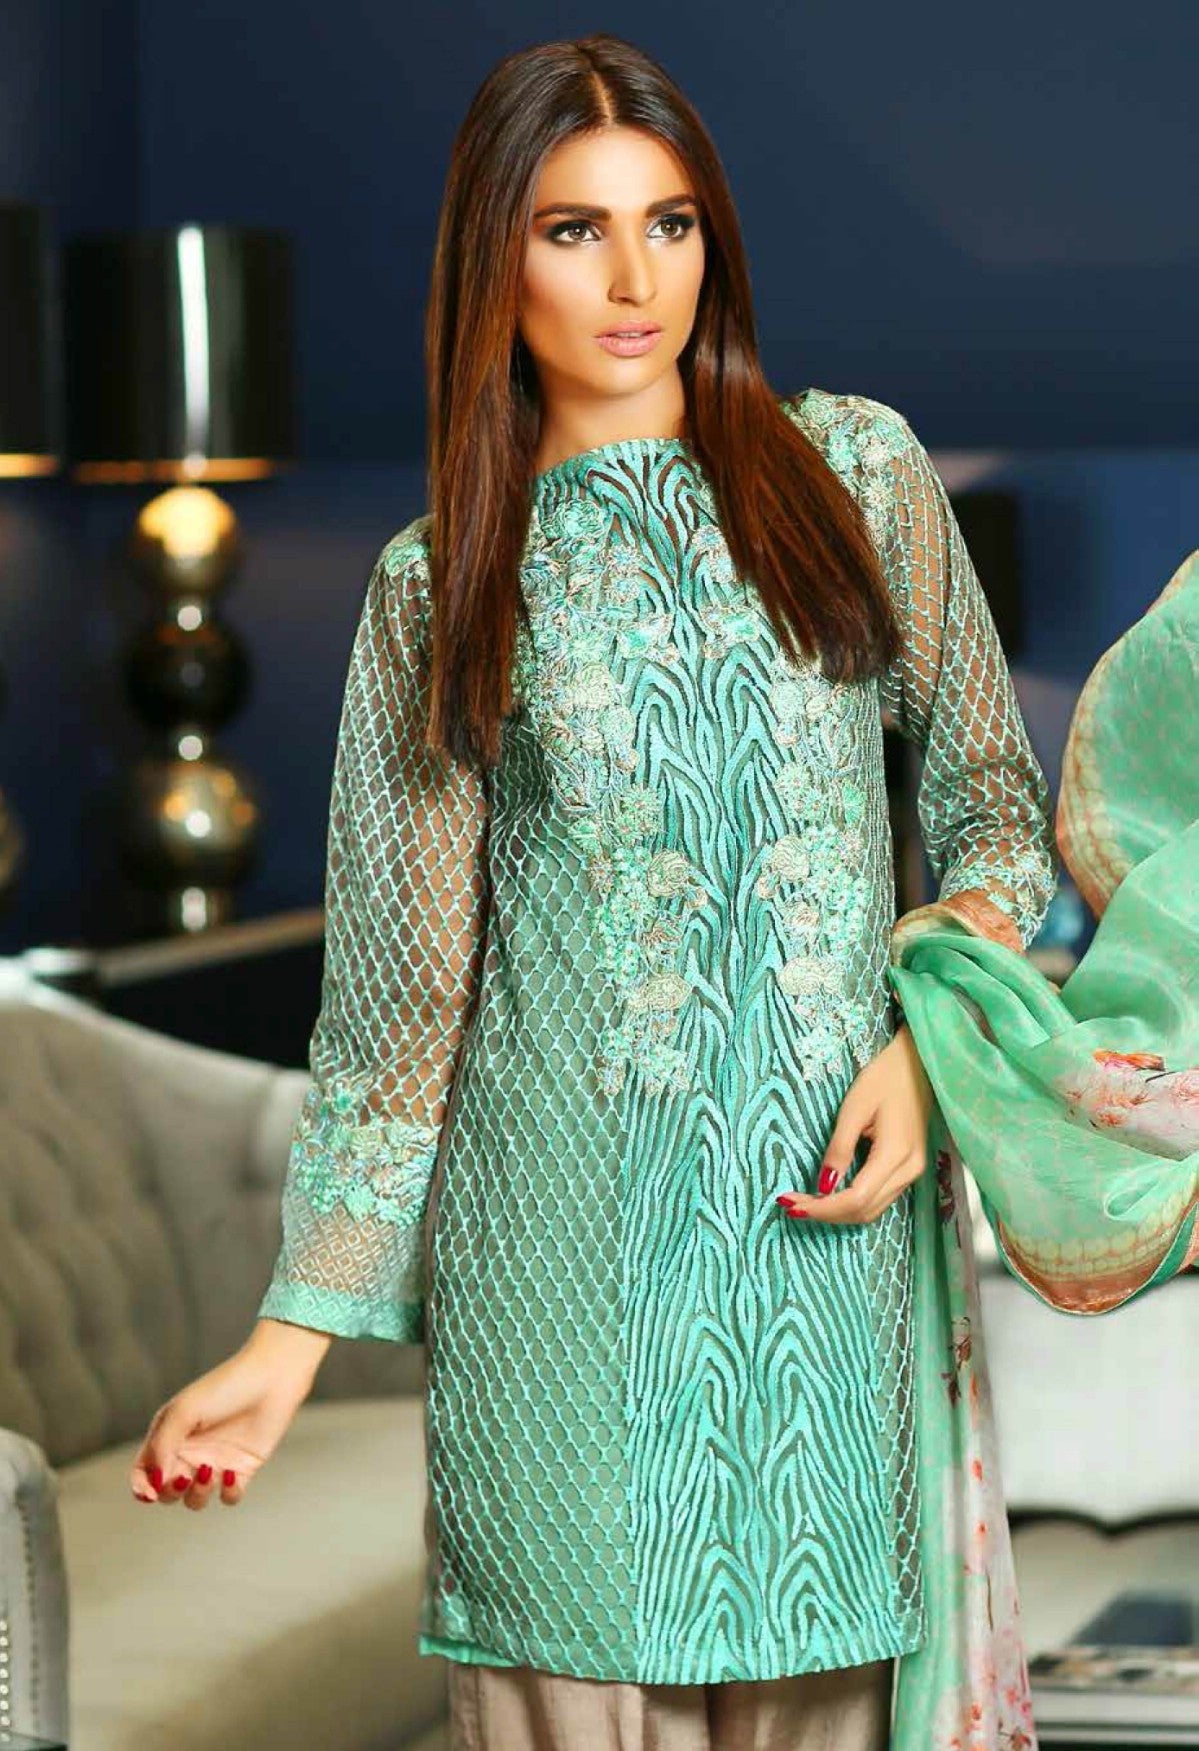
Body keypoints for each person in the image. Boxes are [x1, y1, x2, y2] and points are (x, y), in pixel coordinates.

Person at [127, 32, 1073, 1751]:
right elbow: (401, 1017)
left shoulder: (855, 475)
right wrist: (287, 1345)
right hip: (554, 1283)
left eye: (671, 223)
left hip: (821, 1254)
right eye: (574, 230)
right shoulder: (440, 586)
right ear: (494, 262)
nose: (636, 280)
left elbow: (999, 821)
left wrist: (930, 1055)